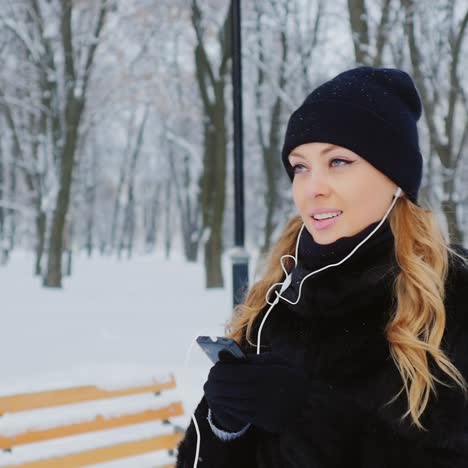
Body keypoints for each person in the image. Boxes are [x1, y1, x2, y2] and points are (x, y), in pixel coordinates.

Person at [175, 66, 468, 468]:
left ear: (395, 178)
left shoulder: (452, 295)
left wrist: (309, 414)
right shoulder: (278, 295)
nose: (312, 188)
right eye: (300, 166)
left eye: (339, 162)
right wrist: (225, 426)